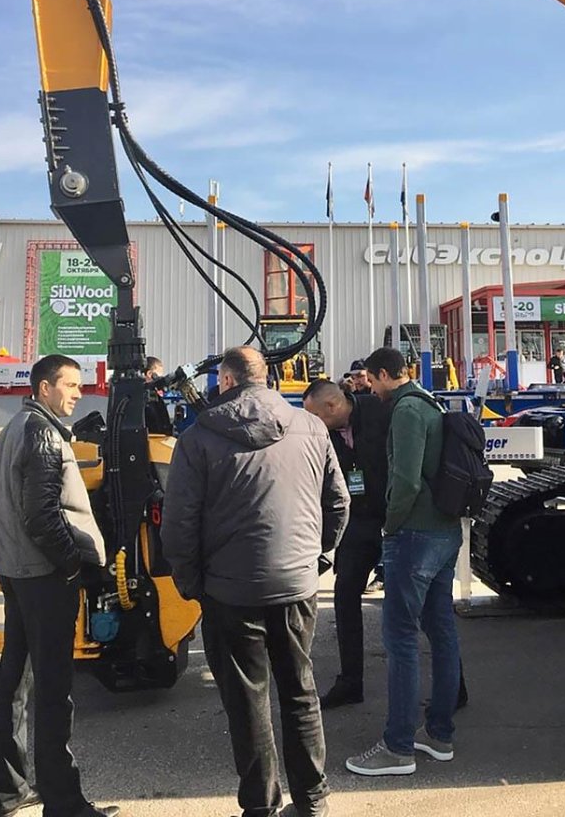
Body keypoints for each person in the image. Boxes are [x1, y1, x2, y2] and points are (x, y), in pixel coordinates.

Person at [162, 346, 349, 817]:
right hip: (296, 585)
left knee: (247, 700)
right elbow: (338, 502)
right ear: (265, 378)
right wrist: (317, 558)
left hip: (230, 590)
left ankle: (261, 806)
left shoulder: (198, 437)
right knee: (300, 691)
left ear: (226, 381)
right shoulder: (311, 427)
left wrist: (191, 584)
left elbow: (179, 524)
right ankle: (313, 800)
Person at [0, 355, 117, 817]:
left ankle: (11, 790)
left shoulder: (17, 427)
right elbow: (42, 516)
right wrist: (71, 566)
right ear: (44, 388)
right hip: (43, 575)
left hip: (18, 571)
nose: (79, 393)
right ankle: (64, 802)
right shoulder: (42, 434)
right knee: (54, 688)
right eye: (70, 385)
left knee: (16, 681)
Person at [346, 347, 462, 777]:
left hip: (415, 535)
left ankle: (398, 748)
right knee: (442, 632)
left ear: (382, 374)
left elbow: (407, 479)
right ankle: (439, 734)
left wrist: (389, 526)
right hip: (445, 531)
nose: (369, 389)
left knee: (401, 639)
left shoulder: (406, 411)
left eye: (370, 380)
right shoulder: (430, 402)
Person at [302, 379, 390, 709]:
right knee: (345, 597)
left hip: (396, 518)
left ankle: (452, 684)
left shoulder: (380, 412)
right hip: (358, 522)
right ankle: (351, 682)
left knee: (417, 605)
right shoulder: (322, 435)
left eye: (315, 416)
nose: (311, 423)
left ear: (333, 406)